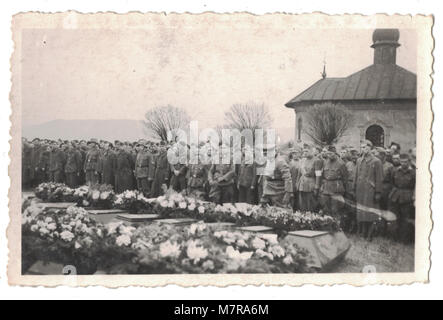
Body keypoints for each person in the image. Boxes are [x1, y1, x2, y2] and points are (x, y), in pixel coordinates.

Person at [353, 140, 384, 241]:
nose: (363, 149)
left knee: (370, 213)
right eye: (362, 147)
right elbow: (356, 175)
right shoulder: (358, 160)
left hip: (370, 191)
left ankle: (370, 234)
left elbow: (379, 178)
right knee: (361, 211)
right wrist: (354, 188)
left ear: (370, 148)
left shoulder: (376, 161)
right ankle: (362, 233)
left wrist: (378, 192)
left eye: (366, 147)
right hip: (360, 190)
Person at [389, 153, 416, 243]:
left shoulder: (413, 173)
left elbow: (415, 186)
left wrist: (413, 196)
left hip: (407, 197)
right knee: (395, 217)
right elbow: (392, 182)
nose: (403, 164)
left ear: (409, 162)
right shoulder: (395, 171)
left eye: (405, 162)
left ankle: (404, 239)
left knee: (405, 219)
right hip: (395, 196)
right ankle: (394, 237)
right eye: (401, 162)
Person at [319, 145, 348, 218]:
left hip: (336, 189)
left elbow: (345, 178)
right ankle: (327, 225)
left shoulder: (341, 163)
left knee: (335, 210)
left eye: (331, 154)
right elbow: (322, 175)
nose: (329, 156)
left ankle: (337, 226)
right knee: (326, 208)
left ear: (335, 153)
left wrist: (342, 190)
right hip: (326, 189)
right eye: (328, 154)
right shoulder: (325, 162)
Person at [296, 147, 319, 212]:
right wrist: (297, 182)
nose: (304, 153)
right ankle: (303, 215)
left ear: (312, 151)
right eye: (304, 151)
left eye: (307, 151)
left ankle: (310, 216)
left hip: (311, 183)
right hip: (302, 183)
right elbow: (299, 172)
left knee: (310, 201)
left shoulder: (317, 160)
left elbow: (318, 175)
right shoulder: (302, 160)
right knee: (301, 201)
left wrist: (317, 186)